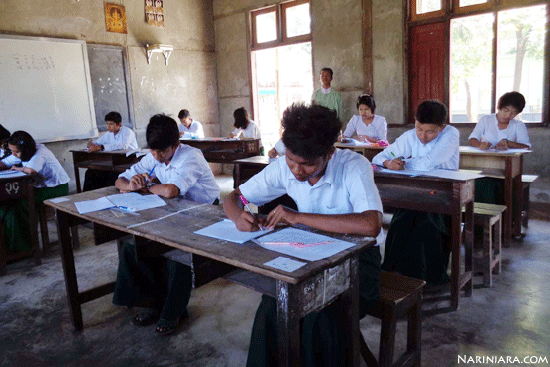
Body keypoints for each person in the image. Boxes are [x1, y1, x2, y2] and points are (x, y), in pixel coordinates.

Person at [224, 103, 383, 366]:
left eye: (308, 165)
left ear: (330, 153)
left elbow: (371, 224)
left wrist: (296, 217)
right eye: (291, 161)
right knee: (273, 304)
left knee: (319, 313)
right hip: (310, 257)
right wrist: (236, 215)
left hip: (358, 266)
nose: (297, 171)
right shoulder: (285, 166)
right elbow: (235, 196)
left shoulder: (354, 166)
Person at [112, 114, 220, 336]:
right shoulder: (154, 155)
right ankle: (151, 303)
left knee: (174, 250)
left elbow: (171, 190)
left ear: (176, 145)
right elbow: (119, 180)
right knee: (134, 243)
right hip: (171, 210)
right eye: (153, 151)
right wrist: (132, 185)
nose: (157, 157)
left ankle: (174, 312)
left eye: (162, 152)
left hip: (204, 213)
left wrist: (146, 187)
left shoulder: (191, 156)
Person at [372, 100, 458, 285]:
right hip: (414, 194)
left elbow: (428, 163)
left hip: (444, 198)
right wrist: (388, 163)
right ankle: (398, 275)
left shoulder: (451, 134)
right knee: (400, 223)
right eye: (419, 128)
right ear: (415, 122)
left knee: (425, 227)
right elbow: (379, 156)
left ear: (441, 128)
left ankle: (427, 278)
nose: (423, 136)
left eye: (430, 131)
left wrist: (403, 163)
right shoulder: (410, 136)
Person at [0, 131, 70, 252]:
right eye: (12, 151)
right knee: (9, 204)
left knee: (22, 201)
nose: (14, 155)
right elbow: (5, 162)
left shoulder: (40, 152)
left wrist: (17, 168)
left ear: (25, 149)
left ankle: (26, 247)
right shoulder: (21, 151)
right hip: (41, 187)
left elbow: (30, 170)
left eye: (16, 152)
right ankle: (12, 247)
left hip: (56, 188)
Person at [469, 92, 530, 205]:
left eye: (513, 113)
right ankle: (482, 215)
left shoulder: (518, 125)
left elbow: (526, 146)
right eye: (506, 111)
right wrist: (480, 145)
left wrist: (508, 143)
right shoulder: (486, 120)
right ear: (499, 107)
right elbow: (472, 138)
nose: (508, 116)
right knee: (482, 182)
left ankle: (505, 217)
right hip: (486, 165)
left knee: (506, 185)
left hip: (508, 168)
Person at [83, 111, 138, 192]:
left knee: (112, 175)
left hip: (129, 161)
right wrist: (91, 144)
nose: (108, 127)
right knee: (90, 172)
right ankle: (89, 195)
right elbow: (97, 142)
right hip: (115, 161)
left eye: (111, 124)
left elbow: (123, 146)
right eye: (107, 124)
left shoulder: (127, 131)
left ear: (119, 124)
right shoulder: (109, 134)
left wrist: (101, 147)